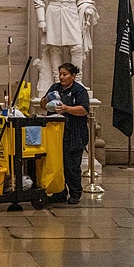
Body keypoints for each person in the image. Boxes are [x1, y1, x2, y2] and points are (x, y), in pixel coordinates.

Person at [34, 0, 99, 92]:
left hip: (71, 15)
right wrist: (41, 20)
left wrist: (87, 7)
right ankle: (58, 80)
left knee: (77, 47)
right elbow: (39, 0)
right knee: (54, 48)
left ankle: (77, 81)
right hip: (54, 15)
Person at [39, 62, 89, 205]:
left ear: (73, 76)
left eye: (65, 74)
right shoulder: (55, 88)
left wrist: (67, 108)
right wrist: (46, 99)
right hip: (55, 133)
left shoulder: (80, 91)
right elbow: (43, 105)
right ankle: (59, 192)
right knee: (57, 164)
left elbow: (84, 109)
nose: (61, 77)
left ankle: (75, 192)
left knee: (72, 166)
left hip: (74, 133)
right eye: (60, 74)